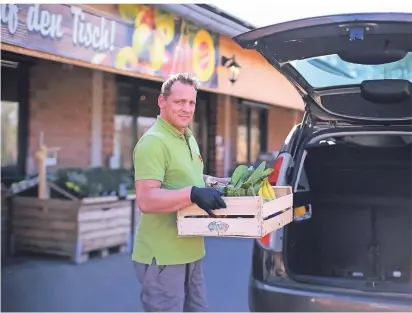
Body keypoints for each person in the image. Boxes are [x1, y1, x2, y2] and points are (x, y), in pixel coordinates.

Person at [132, 72, 229, 312]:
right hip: (163, 256)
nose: (186, 108)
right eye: (179, 102)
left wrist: (220, 183)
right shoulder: (153, 142)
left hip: (191, 250)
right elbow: (146, 199)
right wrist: (192, 193)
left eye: (191, 102)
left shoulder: (187, 137)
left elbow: (190, 178)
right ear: (162, 102)